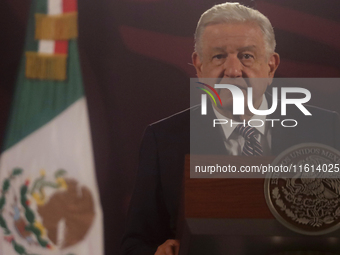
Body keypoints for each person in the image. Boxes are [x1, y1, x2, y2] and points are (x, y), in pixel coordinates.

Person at [121, 2, 340, 255]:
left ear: (271, 65)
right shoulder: (164, 140)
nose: (233, 71)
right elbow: (134, 244)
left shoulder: (327, 129)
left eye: (247, 56)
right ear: (199, 66)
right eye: (218, 56)